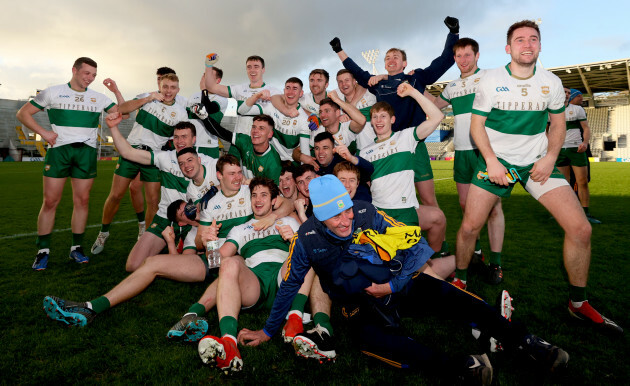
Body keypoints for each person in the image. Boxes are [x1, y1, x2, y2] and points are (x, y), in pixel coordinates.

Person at [237, 175, 569, 384]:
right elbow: (292, 285)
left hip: (394, 282)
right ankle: (462, 367)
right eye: (335, 216)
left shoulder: (365, 211)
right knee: (374, 343)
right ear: (318, 218)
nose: (345, 220)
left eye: (347, 209)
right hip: (358, 304)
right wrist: (268, 330)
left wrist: (391, 285)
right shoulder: (306, 238)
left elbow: (417, 247)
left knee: (448, 295)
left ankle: (524, 341)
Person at [455, 20, 622, 334]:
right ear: (509, 48)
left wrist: (548, 158)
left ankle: (578, 304)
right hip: (496, 162)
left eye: (533, 39)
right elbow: (476, 126)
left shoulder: (552, 82)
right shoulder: (491, 79)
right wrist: (490, 161)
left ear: (540, 46)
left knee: (580, 229)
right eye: (520, 40)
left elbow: (558, 126)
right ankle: (460, 280)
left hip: (536, 162)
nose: (527, 45)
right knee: (469, 227)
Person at [41, 148, 218, 328]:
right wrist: (177, 242)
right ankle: (90, 308)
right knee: (151, 263)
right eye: (184, 213)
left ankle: (190, 317)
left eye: (187, 208)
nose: (189, 211)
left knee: (228, 267)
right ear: (181, 223)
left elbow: (220, 191)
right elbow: (183, 264)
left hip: (226, 259)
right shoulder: (191, 236)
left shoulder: (210, 209)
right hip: (210, 263)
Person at [193, 177, 309, 374]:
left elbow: (311, 250)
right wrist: (210, 243)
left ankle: (295, 317)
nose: (258, 199)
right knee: (230, 262)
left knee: (304, 250)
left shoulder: (288, 220)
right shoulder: (240, 229)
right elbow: (215, 263)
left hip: (284, 279)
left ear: (274, 201)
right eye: (254, 195)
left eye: (264, 195)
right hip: (255, 285)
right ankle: (229, 343)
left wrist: (295, 240)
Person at [16, 57, 120, 270]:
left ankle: (76, 248)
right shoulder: (52, 92)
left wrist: (116, 90)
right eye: (87, 73)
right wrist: (44, 132)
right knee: (50, 201)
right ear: (74, 70)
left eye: (93, 75)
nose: (90, 78)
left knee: (82, 201)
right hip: (59, 152)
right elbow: (23, 113)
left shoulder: (98, 98)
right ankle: (42, 251)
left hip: (86, 153)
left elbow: (122, 112)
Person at [95, 113, 217, 271]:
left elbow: (230, 179)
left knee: (211, 265)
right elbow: (128, 153)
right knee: (132, 265)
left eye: (184, 137)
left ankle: (181, 251)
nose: (179, 141)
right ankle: (174, 251)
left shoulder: (207, 161)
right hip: (165, 218)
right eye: (176, 137)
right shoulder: (164, 158)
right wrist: (113, 127)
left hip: (195, 222)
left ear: (193, 139)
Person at [430, 37, 506, 287]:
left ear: (477, 56)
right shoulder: (452, 86)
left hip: (486, 152)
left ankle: (495, 262)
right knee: (466, 206)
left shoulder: (491, 78)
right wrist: (414, 85)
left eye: (467, 55)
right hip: (462, 151)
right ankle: (476, 252)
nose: (463, 60)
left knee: (493, 208)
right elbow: (433, 106)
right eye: (458, 56)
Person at [92, 73, 188, 255]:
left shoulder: (181, 112)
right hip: (131, 149)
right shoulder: (147, 97)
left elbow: (179, 136)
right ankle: (103, 233)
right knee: (116, 195)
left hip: (153, 156)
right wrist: (148, 98)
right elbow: (123, 109)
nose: (168, 91)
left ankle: (145, 237)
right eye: (165, 87)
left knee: (153, 201)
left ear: (178, 90)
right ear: (160, 85)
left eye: (173, 88)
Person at [359, 83, 446, 254]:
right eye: (375, 117)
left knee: (410, 263)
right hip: (379, 214)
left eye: (383, 116)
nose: (378, 121)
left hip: (405, 213)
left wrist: (413, 92)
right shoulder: (364, 152)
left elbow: (437, 116)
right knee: (389, 264)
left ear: (392, 119)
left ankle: (437, 257)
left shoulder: (406, 137)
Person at [238, 77, 312, 165]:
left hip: (292, 161)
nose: (290, 92)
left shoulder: (304, 118)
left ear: (301, 93)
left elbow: (305, 153)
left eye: (295, 89)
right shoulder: (272, 107)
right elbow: (241, 111)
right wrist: (256, 96)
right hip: (272, 159)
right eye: (288, 88)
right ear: (284, 91)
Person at [556, 88, 600, 224]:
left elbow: (586, 128)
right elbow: (547, 131)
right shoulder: (550, 110)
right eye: (564, 92)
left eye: (569, 93)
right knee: (564, 184)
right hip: (559, 150)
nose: (567, 94)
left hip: (576, 149)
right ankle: (566, 212)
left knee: (582, 182)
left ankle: (585, 213)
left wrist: (585, 143)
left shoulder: (577, 109)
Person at [187, 69, 229, 159]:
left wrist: (204, 90)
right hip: (190, 145)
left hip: (208, 146)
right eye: (204, 75)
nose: (205, 79)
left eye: (209, 77)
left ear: (218, 81)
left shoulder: (222, 98)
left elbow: (207, 108)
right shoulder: (194, 96)